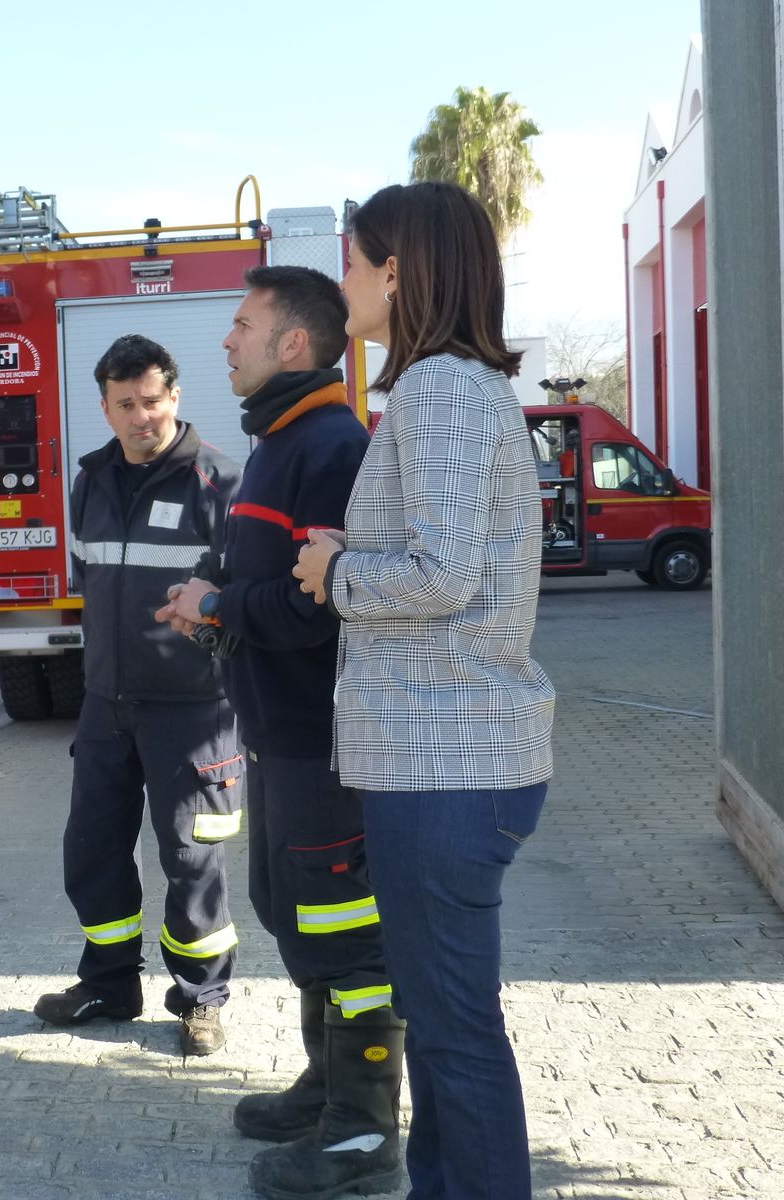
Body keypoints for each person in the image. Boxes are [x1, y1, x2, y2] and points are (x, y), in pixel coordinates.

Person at [292, 181, 557, 1200]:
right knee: (448, 1028)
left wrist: (334, 576)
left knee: (454, 1035)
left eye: (353, 263)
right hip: (449, 759)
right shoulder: (460, 387)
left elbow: (445, 575)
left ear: (397, 271)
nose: (342, 282)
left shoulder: (439, 388)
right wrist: (353, 546)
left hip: (448, 765)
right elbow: (456, 553)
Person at [155, 265, 403, 1200]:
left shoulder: (331, 445)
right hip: (281, 737)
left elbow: (324, 607)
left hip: (323, 742)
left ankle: (365, 1135)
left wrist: (221, 601)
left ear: (292, 344)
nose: (226, 341)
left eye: (242, 325)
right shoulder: (282, 442)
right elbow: (278, 582)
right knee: (291, 912)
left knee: (344, 933)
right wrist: (215, 607)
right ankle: (329, 1085)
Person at [33, 333, 244, 1057]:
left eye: (151, 400)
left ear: (174, 397)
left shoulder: (220, 481)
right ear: (104, 407)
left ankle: (200, 998)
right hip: (105, 704)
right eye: (124, 403)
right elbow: (91, 584)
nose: (139, 416)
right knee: (91, 850)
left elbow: (243, 596)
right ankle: (110, 982)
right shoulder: (91, 482)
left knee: (192, 859)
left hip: (192, 710)